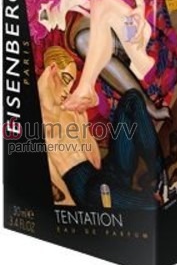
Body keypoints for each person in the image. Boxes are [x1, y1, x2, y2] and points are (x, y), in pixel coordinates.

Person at [24, 0, 177, 118]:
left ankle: (87, 86)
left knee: (99, 1)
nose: (50, 27)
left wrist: (140, 7)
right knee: (84, 40)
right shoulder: (76, 7)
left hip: (138, 31)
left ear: (47, 0)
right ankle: (147, 106)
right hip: (127, 42)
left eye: (44, 17)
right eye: (42, 27)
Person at [38, 46, 166, 209]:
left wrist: (82, 113)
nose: (67, 90)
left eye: (71, 83)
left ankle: (160, 177)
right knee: (152, 208)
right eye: (65, 79)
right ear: (52, 70)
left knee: (132, 98)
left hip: (105, 174)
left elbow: (94, 156)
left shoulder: (70, 107)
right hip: (85, 188)